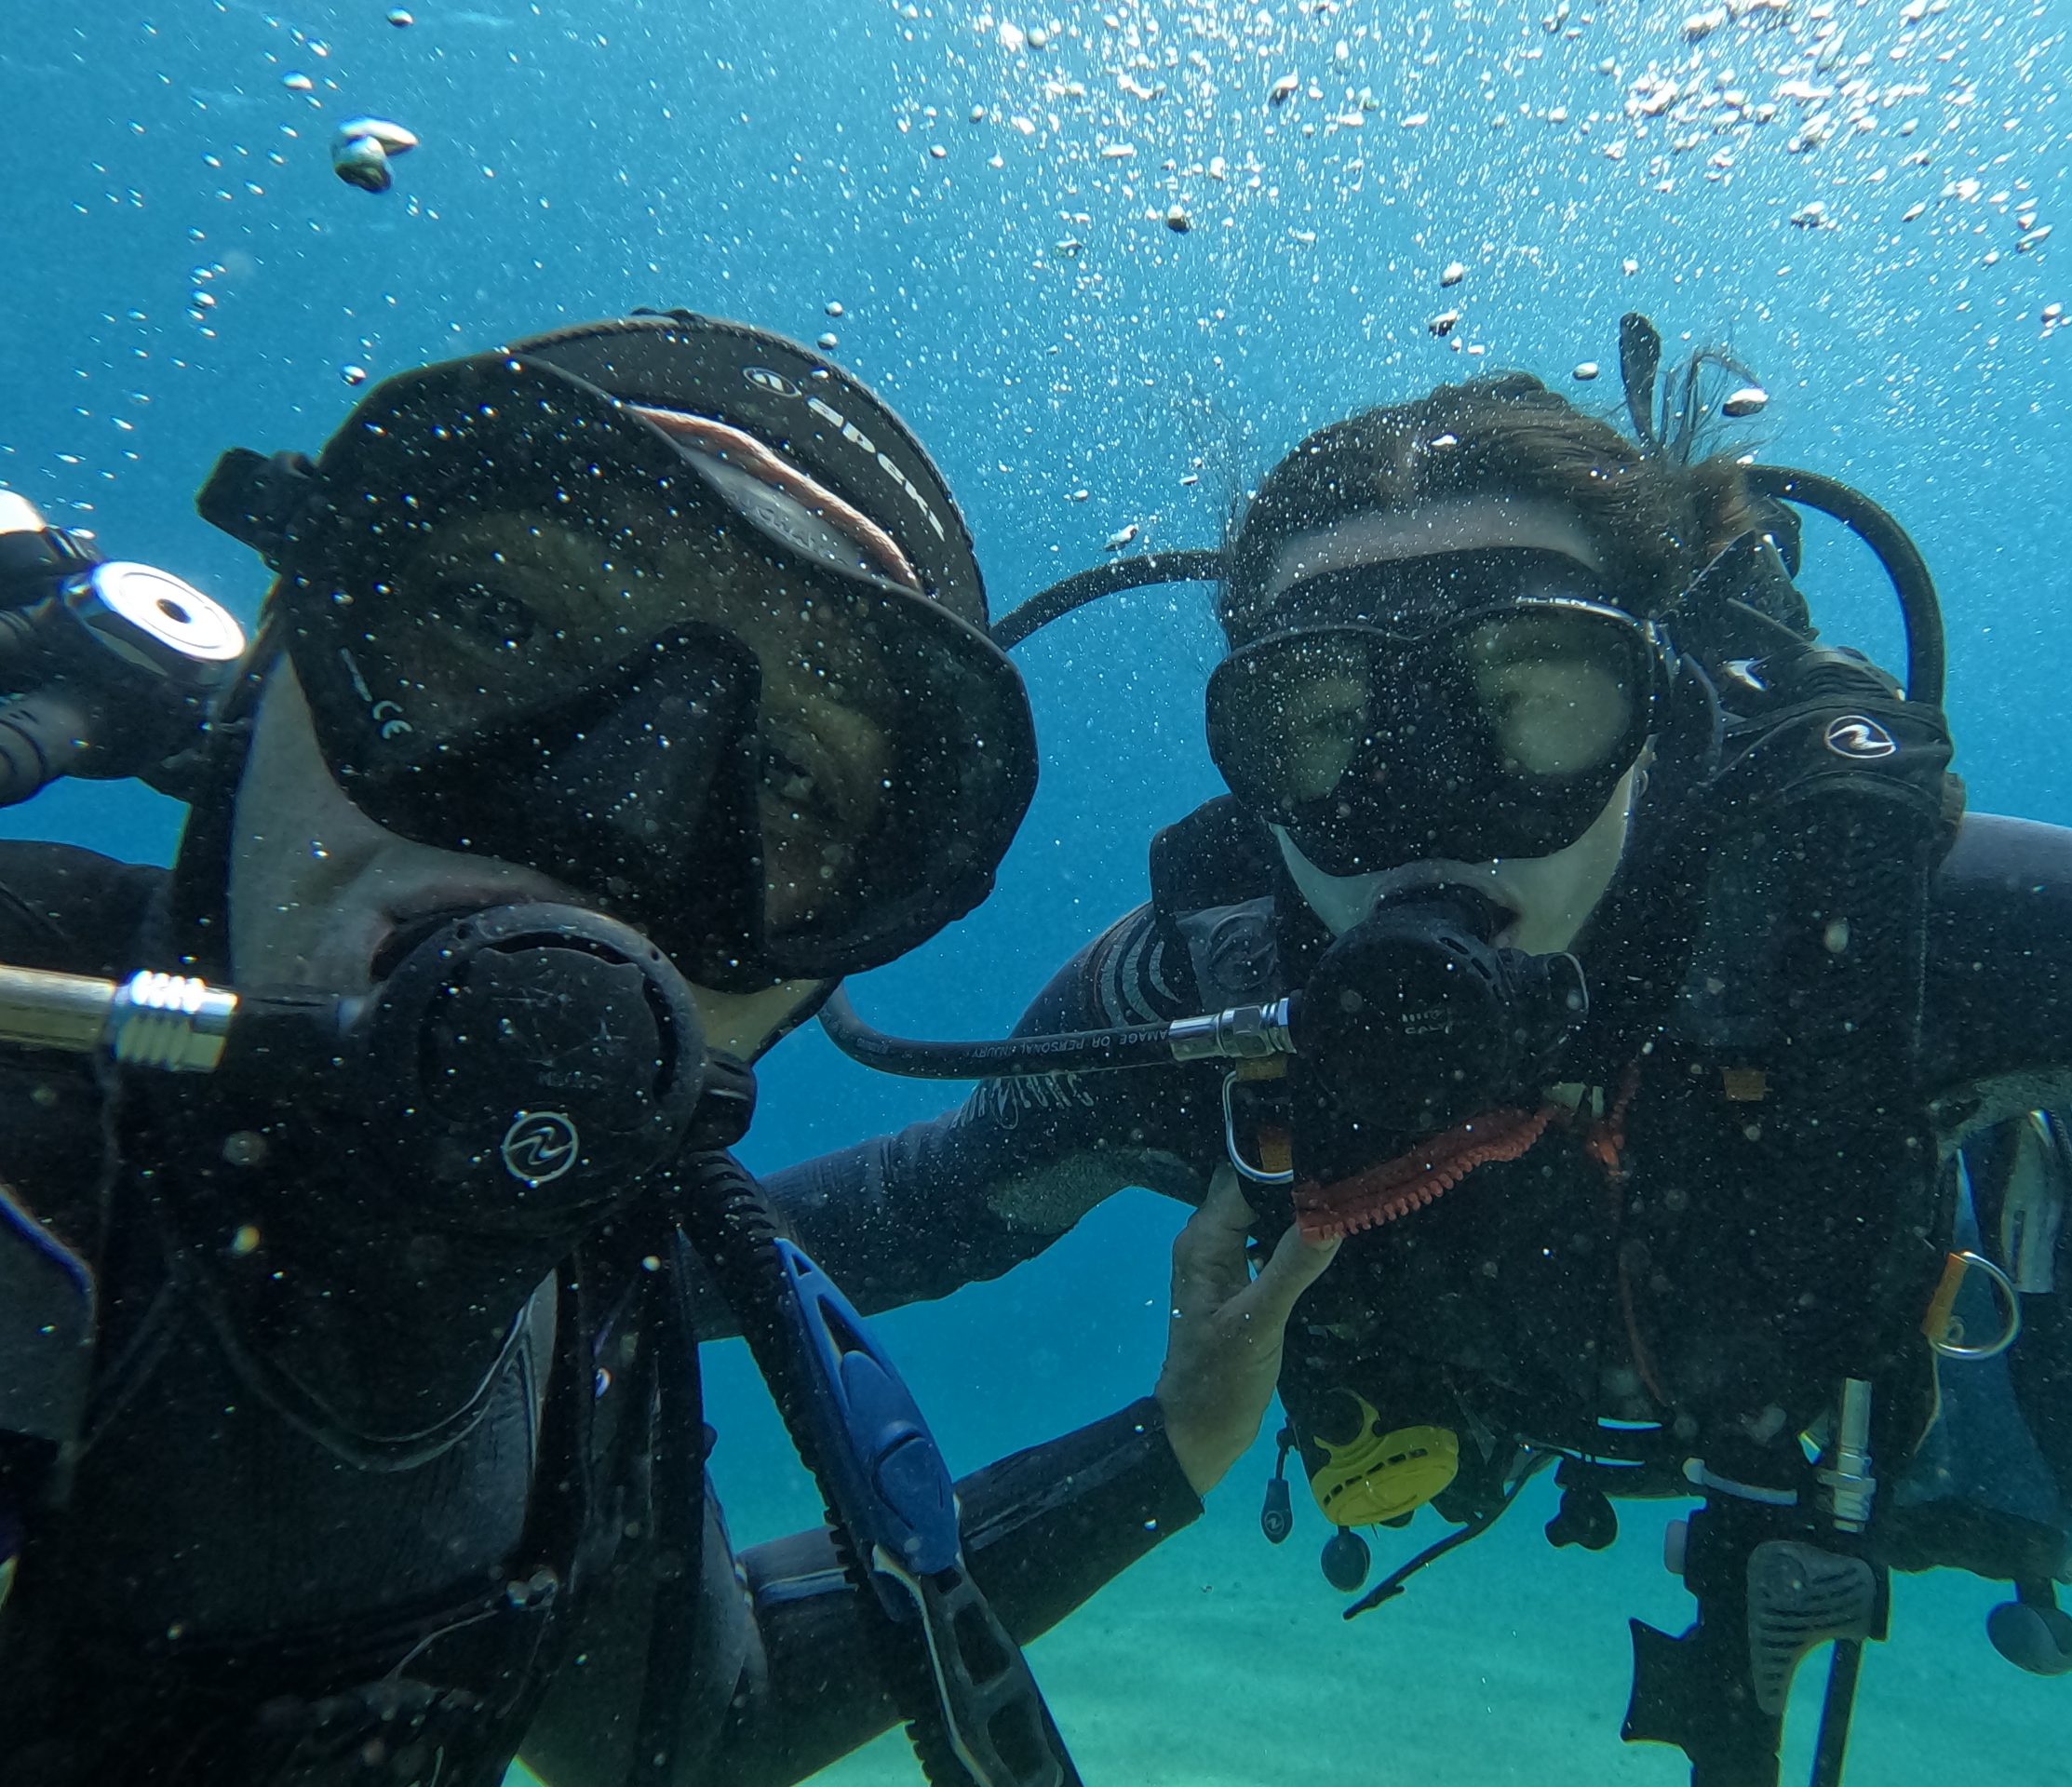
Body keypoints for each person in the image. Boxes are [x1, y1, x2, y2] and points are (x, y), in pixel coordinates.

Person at [772, 322, 2072, 1786]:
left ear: (1654, 706)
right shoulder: (1204, 997)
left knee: (2058, 1316)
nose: (1419, 808)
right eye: (1325, 723)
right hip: (1537, 1384)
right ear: (1248, 762)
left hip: (1826, 1382)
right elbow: (902, 1215)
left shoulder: (1858, 924)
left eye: (1531, 697)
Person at [0, 309, 1337, 1787]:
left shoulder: (594, 1303)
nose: (610, 828)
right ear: (266, 681)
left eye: (782, 776)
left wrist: (1173, 1449)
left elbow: (704, 1720)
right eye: (500, 624)